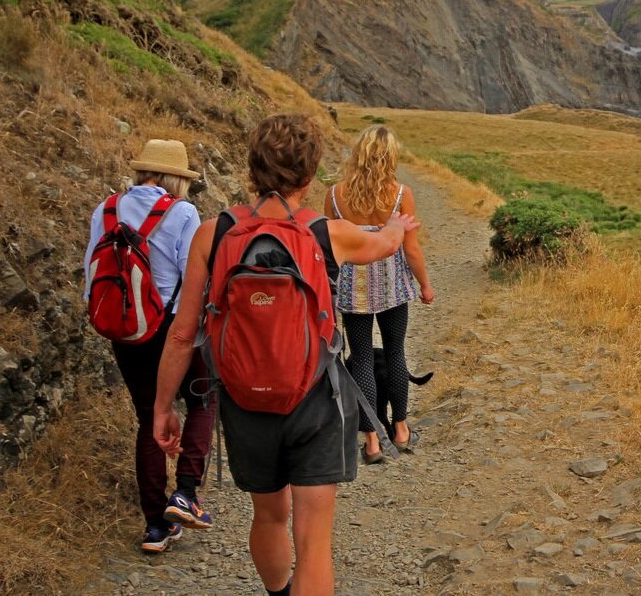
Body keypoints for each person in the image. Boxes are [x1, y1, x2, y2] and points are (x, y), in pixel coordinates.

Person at [153, 113, 418, 596]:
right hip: (314, 398)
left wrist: (162, 406)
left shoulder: (214, 233)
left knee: (269, 516)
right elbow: (383, 244)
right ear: (310, 174)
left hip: (243, 398)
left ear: (252, 169)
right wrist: (398, 227)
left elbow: (181, 333)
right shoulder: (325, 233)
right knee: (314, 540)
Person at [83, 138, 214, 554]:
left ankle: (156, 526)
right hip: (173, 329)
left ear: (142, 171)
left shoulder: (105, 209)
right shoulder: (183, 212)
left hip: (125, 327)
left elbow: (90, 273)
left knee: (148, 417)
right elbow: (196, 277)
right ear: (176, 177)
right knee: (202, 399)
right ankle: (187, 493)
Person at [324, 124, 434, 464]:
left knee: (362, 358)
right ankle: (400, 430)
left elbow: (329, 248)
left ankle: (372, 440)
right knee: (395, 352)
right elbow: (411, 250)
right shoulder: (401, 195)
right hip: (392, 286)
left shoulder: (333, 196)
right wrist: (425, 285)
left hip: (353, 286)